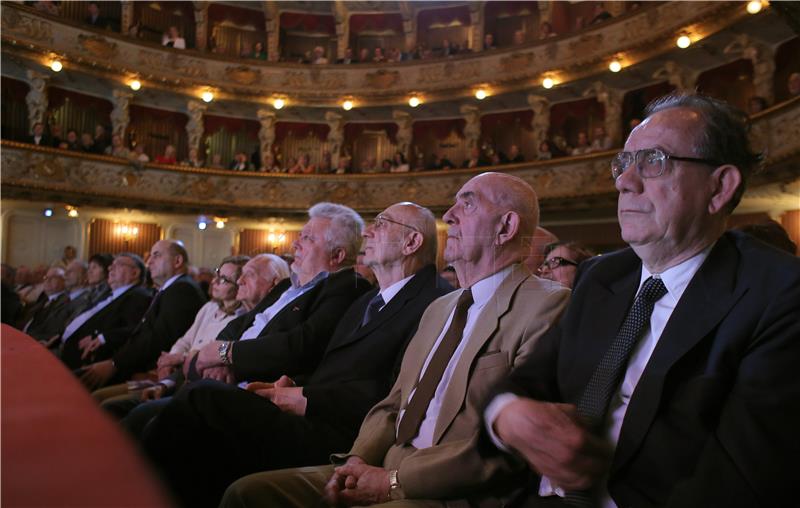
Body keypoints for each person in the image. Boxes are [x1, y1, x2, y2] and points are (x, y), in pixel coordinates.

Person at [485, 92, 800, 507]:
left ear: (720, 186)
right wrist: (508, 414)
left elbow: (740, 480)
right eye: (623, 163)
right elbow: (526, 382)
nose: (623, 181)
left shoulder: (779, 292)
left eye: (654, 161)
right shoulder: (601, 276)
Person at [219, 173, 571, 508]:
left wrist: (392, 481)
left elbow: (506, 446)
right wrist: (358, 461)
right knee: (247, 493)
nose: (448, 215)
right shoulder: (440, 308)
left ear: (506, 227)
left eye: (467, 204)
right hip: (381, 466)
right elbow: (393, 403)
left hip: (450, 492)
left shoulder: (546, 304)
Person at [143, 203, 453, 507]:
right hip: (313, 410)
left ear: (411, 242)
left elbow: (396, 392)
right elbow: (330, 364)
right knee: (194, 429)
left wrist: (306, 396)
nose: (369, 232)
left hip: (345, 433)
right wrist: (290, 384)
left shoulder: (433, 302)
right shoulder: (370, 299)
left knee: (202, 398)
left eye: (382, 224)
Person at [114, 254, 291, 432]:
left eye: (249, 275)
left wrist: (219, 358)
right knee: (124, 412)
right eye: (239, 276)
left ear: (274, 284)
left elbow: (222, 357)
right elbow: (200, 352)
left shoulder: (269, 319)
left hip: (222, 400)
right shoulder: (233, 315)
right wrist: (196, 360)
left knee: (139, 419)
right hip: (188, 386)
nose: (241, 281)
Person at [97, 257, 251, 418]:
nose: (214, 282)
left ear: (239, 285)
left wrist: (178, 359)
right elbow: (185, 340)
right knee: (102, 399)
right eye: (217, 275)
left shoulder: (241, 319)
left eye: (224, 280)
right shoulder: (209, 307)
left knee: (113, 407)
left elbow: (209, 359)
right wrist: (169, 360)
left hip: (190, 384)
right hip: (171, 379)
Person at [79, 240, 206, 390]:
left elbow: (158, 339)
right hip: (134, 364)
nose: (149, 262)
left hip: (151, 372)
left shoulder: (182, 289)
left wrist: (114, 364)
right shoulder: (173, 288)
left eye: (156, 256)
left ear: (177, 261)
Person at [59, 253, 151, 370]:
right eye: (111, 265)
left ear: (134, 273)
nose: (110, 268)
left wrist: (102, 337)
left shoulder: (138, 295)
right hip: (66, 351)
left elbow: (136, 328)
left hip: (90, 363)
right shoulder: (109, 295)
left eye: (118, 264)